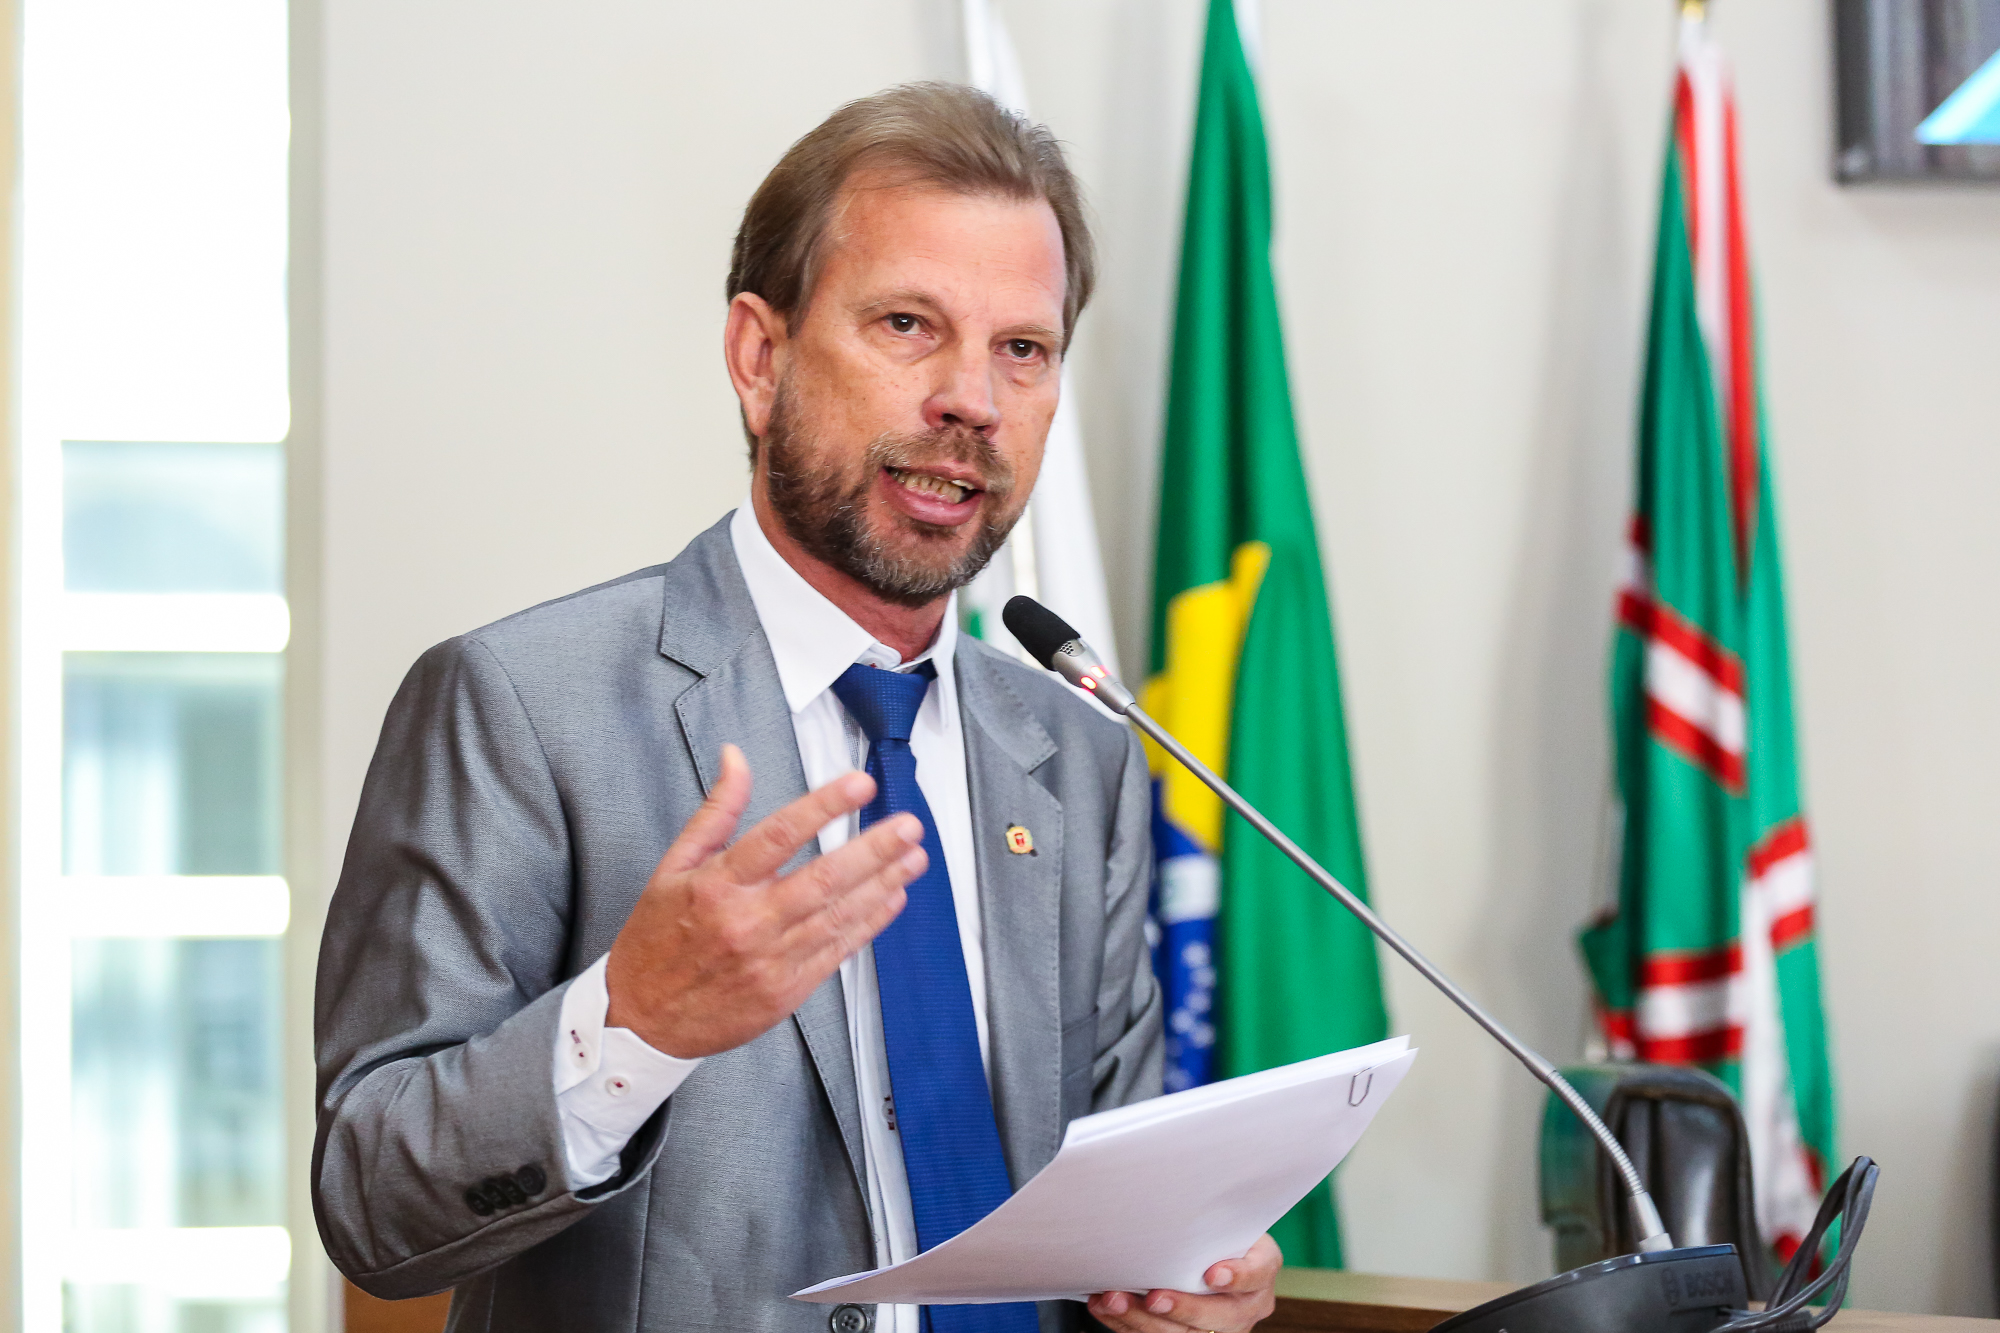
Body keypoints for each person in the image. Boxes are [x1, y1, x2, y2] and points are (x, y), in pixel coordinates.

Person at [313, 82, 1280, 1333]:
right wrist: (630, 1026)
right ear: (758, 358)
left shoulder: (1078, 756)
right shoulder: (516, 706)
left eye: (1021, 350)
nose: (971, 401)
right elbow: (372, 1204)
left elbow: (1110, 1197)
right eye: (906, 325)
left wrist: (1176, 1276)